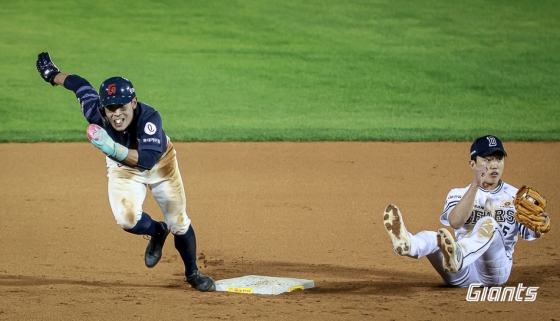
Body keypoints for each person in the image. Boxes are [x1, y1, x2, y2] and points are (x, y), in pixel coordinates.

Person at [36, 52, 215, 292]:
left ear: (133, 102)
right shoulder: (95, 112)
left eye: (121, 106)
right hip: (123, 169)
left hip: (161, 164)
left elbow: (148, 161)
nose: (116, 113)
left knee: (179, 223)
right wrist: (53, 75)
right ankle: (157, 231)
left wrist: (112, 148)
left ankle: (192, 273)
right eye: (110, 108)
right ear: (103, 107)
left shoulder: (149, 117)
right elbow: (79, 84)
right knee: (127, 220)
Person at [383, 135, 548, 287]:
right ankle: (407, 244)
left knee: (488, 223)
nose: (494, 165)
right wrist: (475, 185)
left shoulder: (516, 197)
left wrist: (541, 223)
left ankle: (459, 254)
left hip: (495, 272)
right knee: (435, 237)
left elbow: (530, 232)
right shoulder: (458, 194)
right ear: (473, 164)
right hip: (460, 272)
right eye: (487, 159)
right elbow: (455, 222)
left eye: (499, 159)